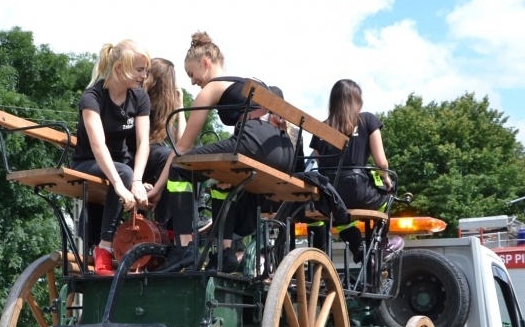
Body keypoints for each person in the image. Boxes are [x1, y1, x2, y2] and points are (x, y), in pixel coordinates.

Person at [158, 31, 296, 272]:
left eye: (192, 74)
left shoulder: (213, 87)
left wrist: (158, 187)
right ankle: (226, 252)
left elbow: (183, 146)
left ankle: (184, 247)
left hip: (256, 143)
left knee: (180, 166)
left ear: (205, 63)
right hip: (283, 152)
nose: (192, 81)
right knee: (223, 182)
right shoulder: (247, 82)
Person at [71, 40, 153, 276]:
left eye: (145, 69)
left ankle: (147, 255)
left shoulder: (139, 98)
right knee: (124, 173)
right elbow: (98, 146)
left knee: (145, 180)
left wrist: (136, 182)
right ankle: (104, 250)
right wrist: (120, 185)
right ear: (119, 68)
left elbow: (144, 143)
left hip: (122, 167)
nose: (144, 75)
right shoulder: (92, 98)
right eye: (139, 70)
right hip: (88, 163)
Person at [309, 79, 403, 263]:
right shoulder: (367, 119)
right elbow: (382, 163)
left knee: (341, 214)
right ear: (357, 100)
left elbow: (314, 161)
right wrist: (386, 181)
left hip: (330, 193)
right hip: (358, 189)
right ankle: (381, 247)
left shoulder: (321, 127)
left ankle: (358, 246)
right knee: (387, 200)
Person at [142, 58, 186, 227]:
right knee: (167, 155)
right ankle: (163, 223)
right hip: (138, 156)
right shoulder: (139, 99)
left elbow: (181, 143)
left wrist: (180, 107)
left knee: (185, 158)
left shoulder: (162, 109)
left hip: (156, 163)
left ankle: (179, 221)